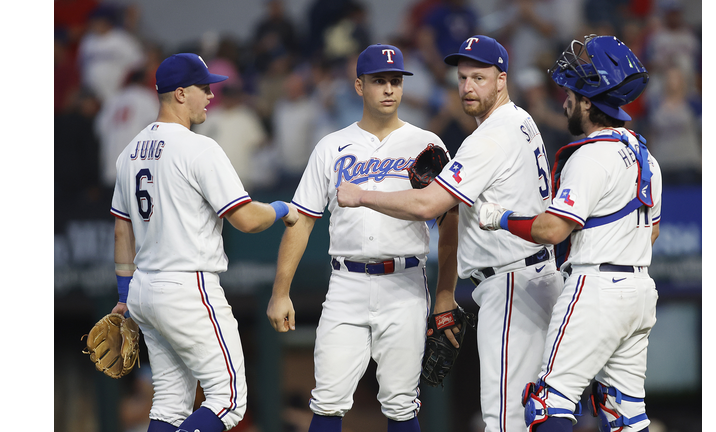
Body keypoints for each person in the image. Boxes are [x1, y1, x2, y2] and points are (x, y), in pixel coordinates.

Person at [336, 35, 563, 432]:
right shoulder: (521, 119)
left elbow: (427, 207)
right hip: (535, 277)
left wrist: (360, 195)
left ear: (501, 79)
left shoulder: (488, 137)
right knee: (537, 411)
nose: (468, 87)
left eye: (479, 77)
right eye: (462, 78)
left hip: (512, 284)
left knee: (504, 418)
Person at [266, 43, 459, 432]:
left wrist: (444, 293)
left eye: (395, 81)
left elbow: (451, 224)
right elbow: (301, 221)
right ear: (359, 86)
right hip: (346, 283)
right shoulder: (331, 146)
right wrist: (280, 291)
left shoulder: (428, 144)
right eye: (378, 81)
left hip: (405, 281)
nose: (389, 89)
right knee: (327, 401)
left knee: (402, 404)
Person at [476, 35, 662, 432]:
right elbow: (653, 232)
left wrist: (500, 218)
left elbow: (551, 228)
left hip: (597, 287)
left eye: (572, 96)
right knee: (626, 413)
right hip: (641, 292)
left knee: (548, 404)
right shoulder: (645, 154)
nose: (566, 102)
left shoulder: (593, 155)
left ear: (588, 103)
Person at [108, 52, 299, 432]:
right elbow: (244, 219)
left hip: (145, 289)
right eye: (204, 88)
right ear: (180, 93)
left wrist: (123, 295)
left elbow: (121, 231)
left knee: (167, 405)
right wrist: (281, 208)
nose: (211, 95)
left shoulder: (128, 153)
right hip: (187, 286)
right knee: (229, 401)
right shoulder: (200, 148)